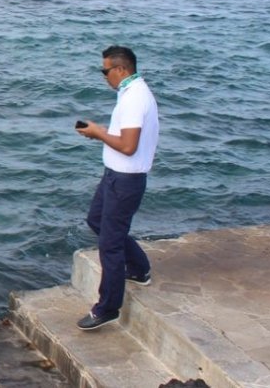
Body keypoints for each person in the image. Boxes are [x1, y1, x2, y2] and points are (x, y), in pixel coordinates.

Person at [74, 45, 160, 331]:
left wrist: (98, 132)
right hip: (115, 176)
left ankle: (108, 308)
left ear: (121, 70)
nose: (104, 77)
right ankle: (140, 269)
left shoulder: (135, 98)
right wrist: (99, 133)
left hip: (125, 180)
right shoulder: (131, 92)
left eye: (105, 71)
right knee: (97, 220)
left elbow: (128, 145)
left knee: (110, 244)